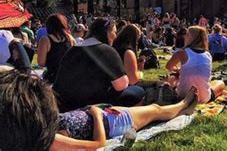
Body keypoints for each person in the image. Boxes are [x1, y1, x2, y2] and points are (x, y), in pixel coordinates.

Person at [0, 69, 198, 151]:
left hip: (100, 114)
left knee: (151, 110)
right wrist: (95, 115)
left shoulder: (33, 132)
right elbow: (98, 145)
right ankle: (182, 106)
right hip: (108, 122)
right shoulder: (48, 139)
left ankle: (181, 105)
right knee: (154, 110)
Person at [53, 18, 144, 112]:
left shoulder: (72, 50)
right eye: (114, 32)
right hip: (91, 103)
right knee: (137, 91)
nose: (115, 36)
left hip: (65, 102)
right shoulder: (107, 51)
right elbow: (122, 85)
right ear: (107, 33)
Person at [166, 26, 226, 103]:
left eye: (187, 35)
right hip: (203, 98)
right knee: (220, 83)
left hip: (183, 96)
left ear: (193, 38)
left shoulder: (181, 53)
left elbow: (168, 67)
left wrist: (177, 70)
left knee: (172, 77)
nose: (185, 37)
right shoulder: (208, 55)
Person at [37, 14, 75, 84]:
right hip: (69, 77)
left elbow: (41, 62)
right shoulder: (70, 38)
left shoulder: (45, 40)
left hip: (53, 78)